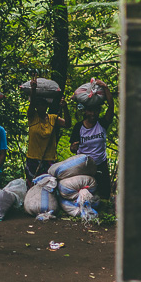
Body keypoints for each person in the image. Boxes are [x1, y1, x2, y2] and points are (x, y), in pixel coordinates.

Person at [44, 84, 110, 222]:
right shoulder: (79, 127)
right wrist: (73, 147)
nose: (93, 114)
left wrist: (105, 88)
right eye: (90, 111)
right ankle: (81, 210)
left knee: (103, 195)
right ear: (85, 111)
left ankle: (100, 214)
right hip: (84, 168)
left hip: (101, 164)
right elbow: (73, 148)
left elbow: (111, 107)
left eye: (96, 111)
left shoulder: (102, 123)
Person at [23, 94, 64, 182]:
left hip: (49, 158)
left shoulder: (52, 118)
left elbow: (67, 124)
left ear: (47, 106)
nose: (41, 107)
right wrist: (33, 91)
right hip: (33, 158)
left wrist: (65, 107)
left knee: (49, 184)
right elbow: (31, 107)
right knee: (32, 183)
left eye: (43, 105)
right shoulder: (32, 117)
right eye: (38, 105)